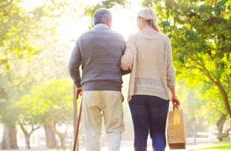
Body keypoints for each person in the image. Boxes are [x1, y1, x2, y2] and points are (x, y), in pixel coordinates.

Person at [121, 7, 180, 151]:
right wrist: (173, 94)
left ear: (142, 19)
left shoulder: (134, 38)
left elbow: (126, 63)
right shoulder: (165, 40)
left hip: (138, 94)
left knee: (140, 134)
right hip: (159, 95)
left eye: (137, 20)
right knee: (158, 133)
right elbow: (170, 71)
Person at [68, 8, 126, 151]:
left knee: (92, 131)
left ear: (94, 21)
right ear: (108, 21)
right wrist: (115, 72)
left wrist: (78, 84)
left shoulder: (83, 38)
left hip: (90, 90)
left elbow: (72, 66)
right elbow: (127, 65)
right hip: (112, 90)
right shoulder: (119, 38)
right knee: (114, 129)